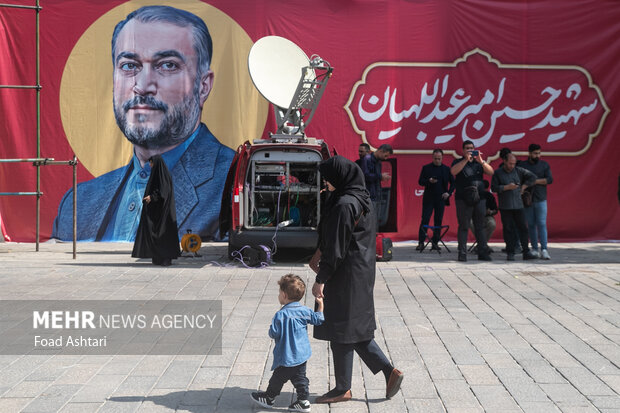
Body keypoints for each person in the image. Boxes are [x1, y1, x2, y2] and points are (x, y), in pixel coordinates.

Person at [52, 5, 235, 242]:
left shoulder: (235, 187)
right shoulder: (76, 205)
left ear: (203, 86)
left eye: (167, 65)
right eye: (129, 65)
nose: (143, 85)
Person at [312, 156, 403, 404]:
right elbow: (339, 234)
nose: (326, 182)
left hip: (345, 274)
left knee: (341, 329)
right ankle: (389, 373)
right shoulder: (362, 198)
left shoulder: (345, 203)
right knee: (353, 329)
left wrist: (321, 278)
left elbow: (338, 245)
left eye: (329, 178)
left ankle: (343, 388)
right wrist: (318, 253)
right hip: (360, 272)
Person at [251, 274, 324, 412]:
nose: (279, 295)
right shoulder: (304, 311)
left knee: (277, 379)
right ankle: (303, 401)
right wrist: (320, 305)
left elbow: (273, 333)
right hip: (302, 354)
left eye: (279, 292)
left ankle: (269, 398)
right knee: (300, 378)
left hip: (286, 356)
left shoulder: (280, 315)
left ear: (284, 295)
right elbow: (318, 320)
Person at [131, 155, 180, 266]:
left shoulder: (163, 175)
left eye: (152, 163)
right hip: (157, 211)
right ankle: (157, 257)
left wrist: (152, 197)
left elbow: (164, 191)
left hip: (164, 214)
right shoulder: (157, 174)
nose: (150, 165)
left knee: (164, 235)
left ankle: (166, 258)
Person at [450, 140, 494, 261]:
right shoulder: (458, 161)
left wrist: (481, 161)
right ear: (463, 150)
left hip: (479, 198)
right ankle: (462, 253)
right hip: (463, 199)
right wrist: (465, 160)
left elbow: (491, 172)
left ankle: (483, 252)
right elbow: (453, 172)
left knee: (480, 226)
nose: (470, 150)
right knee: (464, 226)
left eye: (472, 148)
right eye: (467, 148)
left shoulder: (479, 162)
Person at [491, 153, 538, 261]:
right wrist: (506, 187)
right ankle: (510, 252)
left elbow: (533, 177)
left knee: (523, 228)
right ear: (505, 161)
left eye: (514, 164)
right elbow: (493, 188)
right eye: (510, 163)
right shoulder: (498, 173)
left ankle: (526, 251)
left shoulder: (519, 171)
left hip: (518, 205)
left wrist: (524, 186)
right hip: (505, 206)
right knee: (508, 229)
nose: (512, 166)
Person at [518, 143, 553, 259]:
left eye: (539, 153)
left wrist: (534, 181)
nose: (537, 155)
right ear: (529, 153)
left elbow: (549, 179)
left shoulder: (544, 165)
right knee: (531, 225)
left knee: (542, 224)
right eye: (535, 153)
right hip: (528, 200)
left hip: (541, 199)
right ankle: (534, 248)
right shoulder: (523, 165)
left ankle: (544, 249)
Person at [416, 149, 454, 251]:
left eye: (439, 159)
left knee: (438, 221)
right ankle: (421, 242)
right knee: (425, 219)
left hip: (441, 199)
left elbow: (453, 183)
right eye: (435, 158)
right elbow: (420, 181)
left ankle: (435, 242)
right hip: (429, 198)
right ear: (432, 158)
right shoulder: (426, 168)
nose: (437, 160)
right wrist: (429, 181)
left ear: (442, 158)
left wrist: (449, 193)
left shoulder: (446, 169)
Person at [360, 144, 393, 228]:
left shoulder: (378, 163)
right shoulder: (367, 159)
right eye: (385, 156)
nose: (385, 158)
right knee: (369, 222)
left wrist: (380, 177)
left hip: (377, 195)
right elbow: (364, 176)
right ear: (381, 151)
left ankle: (374, 239)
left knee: (375, 221)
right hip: (368, 196)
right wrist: (380, 176)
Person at [469, 180, 498, 253]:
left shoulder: (489, 196)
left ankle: (481, 245)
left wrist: (490, 211)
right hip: (474, 216)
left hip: (487, 216)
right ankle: (483, 245)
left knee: (492, 224)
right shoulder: (472, 195)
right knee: (470, 222)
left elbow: (495, 210)